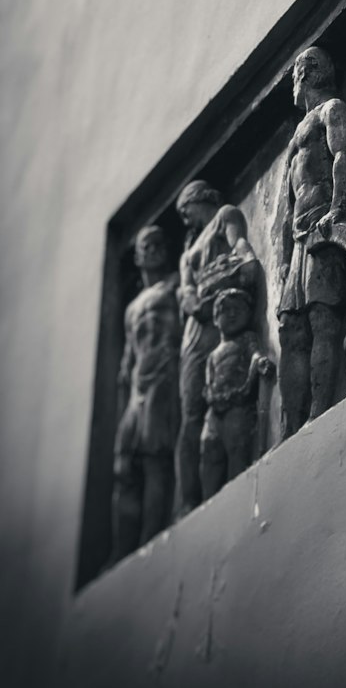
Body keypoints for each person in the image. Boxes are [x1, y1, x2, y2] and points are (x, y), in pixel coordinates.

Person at [276, 46, 346, 437]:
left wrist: (338, 208)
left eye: (294, 75)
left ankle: (319, 410)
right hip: (297, 240)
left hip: (323, 226)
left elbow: (342, 156)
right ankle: (290, 426)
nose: (293, 84)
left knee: (323, 318)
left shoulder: (332, 110)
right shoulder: (295, 134)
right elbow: (286, 203)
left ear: (305, 75)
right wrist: (284, 256)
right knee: (291, 329)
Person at [174, 180, 256, 514]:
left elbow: (239, 244)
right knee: (192, 411)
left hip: (225, 318)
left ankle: (224, 481)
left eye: (185, 211)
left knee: (226, 397)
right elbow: (186, 291)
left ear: (200, 198)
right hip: (196, 332)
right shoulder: (187, 254)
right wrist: (194, 303)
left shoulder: (225, 215)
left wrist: (248, 260)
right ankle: (189, 498)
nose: (185, 220)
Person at [112, 225, 181, 560]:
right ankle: (122, 549)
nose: (153, 251)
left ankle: (151, 537)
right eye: (146, 246)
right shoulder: (131, 308)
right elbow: (128, 357)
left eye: (158, 244)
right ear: (137, 256)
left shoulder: (176, 283)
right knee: (124, 467)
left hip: (164, 379)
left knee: (156, 459)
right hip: (138, 386)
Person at [200, 289, 274, 499]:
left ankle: (235, 498)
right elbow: (209, 382)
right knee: (210, 453)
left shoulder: (246, 339)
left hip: (238, 407)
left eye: (239, 310)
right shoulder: (213, 354)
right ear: (216, 318)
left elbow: (256, 354)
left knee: (237, 451)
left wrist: (260, 363)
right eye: (226, 310)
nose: (232, 314)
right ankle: (208, 500)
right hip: (215, 411)